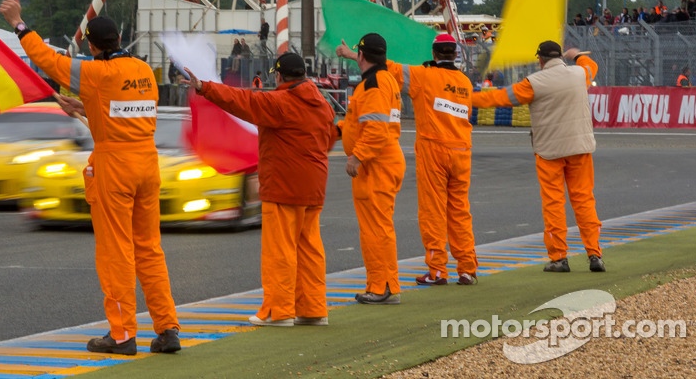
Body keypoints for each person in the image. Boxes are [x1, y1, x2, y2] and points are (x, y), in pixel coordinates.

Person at [0, 0, 180, 355]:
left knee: (116, 252)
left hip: (115, 167)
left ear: (94, 47)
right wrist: (86, 105)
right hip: (147, 162)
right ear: (120, 41)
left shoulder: (96, 71)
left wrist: (19, 24)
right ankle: (168, 328)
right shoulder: (143, 71)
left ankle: (123, 334)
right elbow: (127, 111)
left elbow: (49, 60)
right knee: (149, 250)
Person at [183, 53, 338, 326]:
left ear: (279, 76)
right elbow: (328, 139)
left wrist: (204, 87)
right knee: (309, 249)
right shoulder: (322, 105)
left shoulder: (279, 103)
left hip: (282, 186)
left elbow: (242, 101)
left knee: (280, 250)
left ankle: (279, 312)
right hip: (314, 186)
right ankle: (313, 309)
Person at [337, 33, 478, 287]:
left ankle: (437, 271)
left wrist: (351, 55)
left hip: (434, 150)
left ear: (434, 54)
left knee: (433, 212)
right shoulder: (465, 83)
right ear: (455, 55)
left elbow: (385, 67)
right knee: (460, 211)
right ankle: (467, 268)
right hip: (462, 152)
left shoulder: (423, 76)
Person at [472, 41, 605, 274]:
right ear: (560, 57)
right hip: (580, 148)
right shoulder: (579, 73)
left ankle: (559, 258)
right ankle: (594, 254)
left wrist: (465, 99)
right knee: (584, 201)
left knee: (554, 204)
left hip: (549, 152)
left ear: (540, 60)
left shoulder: (533, 83)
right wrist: (577, 55)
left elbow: (499, 98)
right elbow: (590, 64)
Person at [339, 33, 406, 304]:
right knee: (376, 227)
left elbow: (375, 131)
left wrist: (357, 156)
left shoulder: (373, 85)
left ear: (363, 56)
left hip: (375, 162)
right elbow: (366, 124)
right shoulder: (385, 77)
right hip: (382, 161)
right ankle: (381, 284)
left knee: (376, 228)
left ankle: (383, 286)